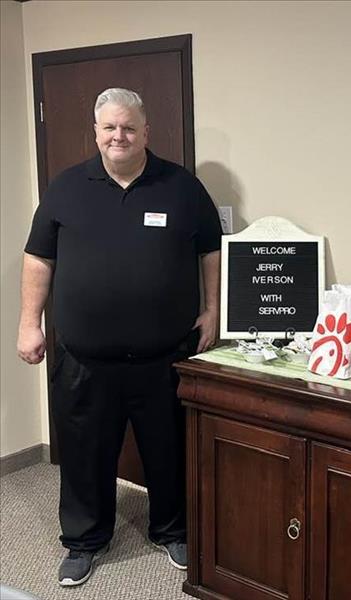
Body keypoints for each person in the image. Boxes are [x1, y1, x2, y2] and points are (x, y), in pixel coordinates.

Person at [17, 88, 222, 587]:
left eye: (128, 127)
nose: (119, 136)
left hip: (164, 356)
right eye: (109, 127)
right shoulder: (66, 188)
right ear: (96, 132)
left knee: (169, 449)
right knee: (85, 454)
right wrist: (29, 322)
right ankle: (85, 542)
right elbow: (38, 257)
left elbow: (211, 250)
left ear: (146, 131)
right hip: (85, 358)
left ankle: (173, 530)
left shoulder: (182, 187)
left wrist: (213, 310)